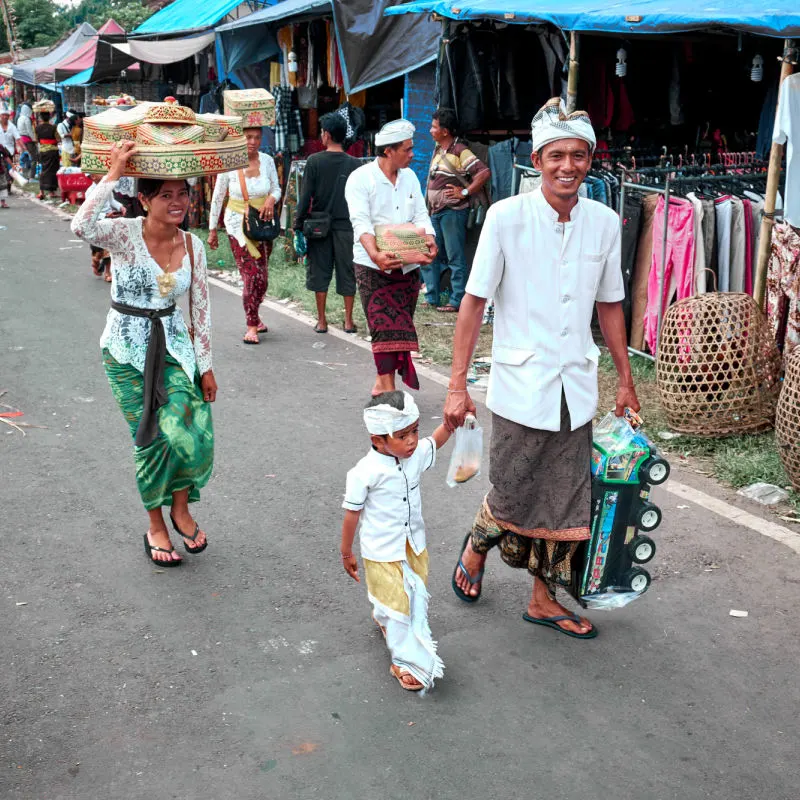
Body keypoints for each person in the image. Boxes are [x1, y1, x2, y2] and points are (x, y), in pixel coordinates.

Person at [445, 98, 640, 638]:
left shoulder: (603, 223)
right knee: (511, 487)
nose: (568, 166)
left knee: (567, 498)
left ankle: (543, 599)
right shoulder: (506, 217)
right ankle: (477, 544)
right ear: (537, 158)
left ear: (590, 160)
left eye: (579, 155)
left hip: (574, 385)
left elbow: (609, 306)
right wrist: (457, 385)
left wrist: (624, 380)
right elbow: (473, 302)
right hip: (519, 382)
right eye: (557, 155)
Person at [71, 140, 217, 568]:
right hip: (124, 350)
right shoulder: (122, 232)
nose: (178, 203)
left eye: (183, 193)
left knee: (190, 432)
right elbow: (81, 226)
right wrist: (114, 171)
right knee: (152, 438)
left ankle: (180, 507)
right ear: (144, 199)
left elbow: (201, 309)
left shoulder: (193, 246)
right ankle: (157, 524)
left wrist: (206, 366)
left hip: (174, 346)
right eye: (165, 195)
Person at [341, 390, 450, 692]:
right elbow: (352, 514)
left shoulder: (413, 457)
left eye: (414, 431)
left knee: (404, 597)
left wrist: (451, 424)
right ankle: (404, 661)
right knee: (401, 605)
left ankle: (382, 616)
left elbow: (434, 442)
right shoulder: (364, 472)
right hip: (381, 550)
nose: (413, 440)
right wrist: (346, 551)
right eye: (403, 436)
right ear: (378, 440)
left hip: (413, 544)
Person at [344, 119, 437, 396]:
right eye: (407, 150)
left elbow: (420, 213)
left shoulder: (409, 177)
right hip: (371, 265)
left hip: (407, 267)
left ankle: (381, 381)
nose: (412, 154)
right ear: (388, 151)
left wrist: (429, 240)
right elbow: (360, 222)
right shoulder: (360, 179)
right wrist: (375, 254)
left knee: (400, 327)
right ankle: (387, 388)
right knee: (383, 326)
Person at [208, 126, 281, 344]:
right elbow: (218, 197)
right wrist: (213, 229)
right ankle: (251, 325)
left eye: (257, 137)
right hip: (237, 226)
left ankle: (255, 315)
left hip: (263, 225)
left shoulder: (267, 161)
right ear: (240, 138)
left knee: (263, 278)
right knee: (251, 275)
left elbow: (276, 188)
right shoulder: (230, 162)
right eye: (248, 137)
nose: (253, 141)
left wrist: (271, 199)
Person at [293, 113, 360, 334]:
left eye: (322, 132)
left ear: (327, 135)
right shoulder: (355, 164)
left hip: (318, 227)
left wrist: (298, 225)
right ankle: (348, 321)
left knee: (319, 272)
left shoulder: (314, 161)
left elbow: (305, 198)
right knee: (347, 272)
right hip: (346, 227)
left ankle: (322, 321)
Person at [424, 108, 490, 312]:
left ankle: (457, 300)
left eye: (434, 127)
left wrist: (464, 192)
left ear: (445, 131)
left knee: (455, 257)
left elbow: (483, 172)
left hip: (452, 211)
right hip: (436, 211)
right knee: (430, 254)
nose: (430, 130)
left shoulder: (460, 150)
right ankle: (432, 296)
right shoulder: (438, 150)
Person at [85, 173, 124, 281]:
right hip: (96, 223)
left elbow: (112, 201)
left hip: (108, 222)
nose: (105, 175)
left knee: (110, 248)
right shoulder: (90, 192)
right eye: (101, 173)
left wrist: (120, 207)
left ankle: (108, 272)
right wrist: (104, 215)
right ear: (93, 177)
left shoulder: (108, 188)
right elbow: (90, 210)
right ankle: (95, 260)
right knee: (98, 251)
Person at [35, 110, 60, 201]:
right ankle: (51, 192)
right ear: (49, 117)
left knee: (43, 170)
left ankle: (41, 191)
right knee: (52, 171)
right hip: (52, 151)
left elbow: (36, 139)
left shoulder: (37, 128)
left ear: (41, 118)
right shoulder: (53, 127)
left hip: (42, 151)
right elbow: (58, 139)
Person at [0, 109, 20, 208]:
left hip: (8, 152)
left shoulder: (12, 126)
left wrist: (12, 165)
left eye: (6, 115)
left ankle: (3, 202)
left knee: (4, 182)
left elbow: (7, 157)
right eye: (3, 115)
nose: (5, 117)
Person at [16, 102, 37, 180]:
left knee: (24, 158)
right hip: (28, 140)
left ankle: (25, 175)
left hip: (21, 140)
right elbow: (29, 131)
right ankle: (31, 176)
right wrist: (34, 139)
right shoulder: (27, 118)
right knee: (34, 158)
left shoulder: (19, 118)